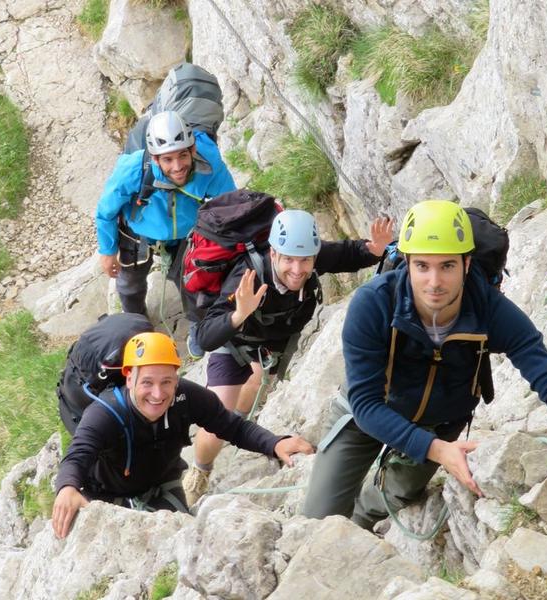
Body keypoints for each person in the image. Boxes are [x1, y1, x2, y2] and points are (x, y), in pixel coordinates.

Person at [301, 199, 547, 530]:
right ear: (407, 262)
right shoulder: (373, 304)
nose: (434, 282)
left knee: (394, 497)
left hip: (439, 421)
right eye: (422, 267)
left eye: (447, 266)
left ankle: (359, 525)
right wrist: (437, 451)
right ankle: (343, 521)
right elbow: (365, 403)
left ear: (467, 264)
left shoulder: (489, 308)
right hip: (366, 415)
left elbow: (543, 369)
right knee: (319, 520)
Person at [181, 209, 394, 506]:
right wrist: (239, 314)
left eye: (305, 259)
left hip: (269, 347)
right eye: (289, 260)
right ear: (273, 253)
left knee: (254, 386)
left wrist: (373, 249)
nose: (297, 269)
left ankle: (240, 425)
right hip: (231, 343)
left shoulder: (311, 257)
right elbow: (205, 336)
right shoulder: (248, 276)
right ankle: (200, 471)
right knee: (216, 420)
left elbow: (345, 255)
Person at [52, 331, 313, 539]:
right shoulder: (106, 412)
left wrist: (275, 443)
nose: (158, 394)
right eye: (147, 382)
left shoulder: (185, 396)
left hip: (162, 485)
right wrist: (67, 488)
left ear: (176, 378)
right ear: (129, 378)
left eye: (167, 381)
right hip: (107, 495)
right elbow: (78, 455)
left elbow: (232, 427)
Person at [94, 111, 236, 358]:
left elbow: (230, 206)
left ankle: (198, 325)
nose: (178, 166)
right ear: (155, 158)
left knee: (193, 281)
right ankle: (136, 325)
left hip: (186, 233)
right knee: (129, 285)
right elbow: (106, 211)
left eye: (183, 155)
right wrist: (107, 251)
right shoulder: (133, 170)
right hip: (138, 232)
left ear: (193, 149)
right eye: (167, 159)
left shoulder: (209, 165)